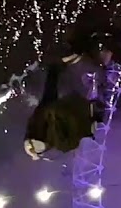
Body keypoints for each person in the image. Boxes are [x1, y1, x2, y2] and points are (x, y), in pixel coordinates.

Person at [23, 26, 115, 160]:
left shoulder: (61, 139)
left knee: (56, 89)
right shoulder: (51, 129)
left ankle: (98, 58)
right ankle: (92, 58)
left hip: (66, 113)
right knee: (53, 87)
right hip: (59, 112)